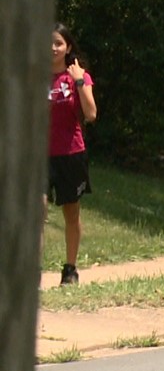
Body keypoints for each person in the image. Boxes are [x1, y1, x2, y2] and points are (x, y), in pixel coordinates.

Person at [47, 22, 97, 285]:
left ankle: (70, 269)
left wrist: (79, 81)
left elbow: (91, 114)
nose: (52, 48)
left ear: (67, 47)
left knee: (71, 213)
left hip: (70, 154)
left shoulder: (78, 76)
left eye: (58, 43)